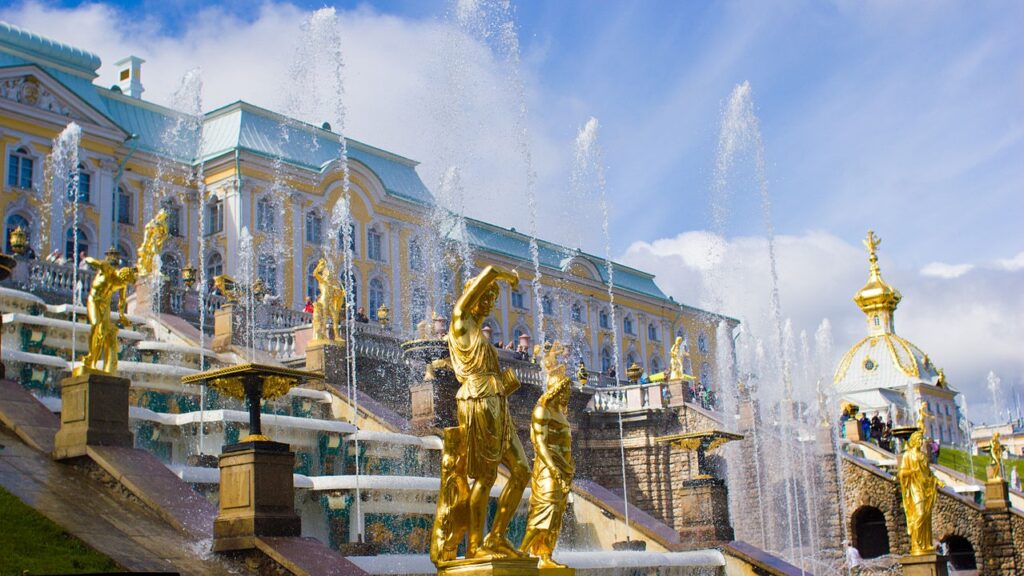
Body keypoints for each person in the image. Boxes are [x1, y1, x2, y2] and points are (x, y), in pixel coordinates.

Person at [443, 265, 529, 560]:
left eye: (493, 297)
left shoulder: (479, 332)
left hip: (496, 401)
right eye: (486, 296)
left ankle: (497, 536)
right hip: (477, 401)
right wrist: (507, 277)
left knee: (521, 471)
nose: (490, 302)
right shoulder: (460, 321)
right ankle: (475, 546)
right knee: (485, 477)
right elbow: (490, 270)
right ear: (472, 295)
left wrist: (506, 384)